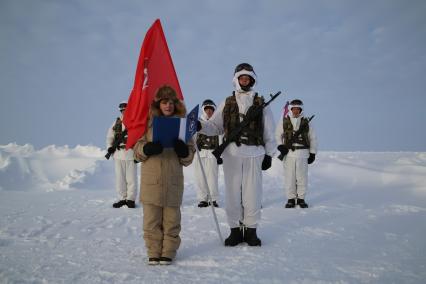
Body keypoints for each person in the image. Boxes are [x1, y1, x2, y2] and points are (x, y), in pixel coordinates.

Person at [198, 63, 276, 246]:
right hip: (231, 154)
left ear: (252, 79)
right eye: (241, 78)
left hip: (255, 153)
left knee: (253, 194)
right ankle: (234, 230)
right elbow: (215, 126)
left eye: (247, 78)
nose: (244, 80)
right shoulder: (227, 102)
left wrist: (270, 154)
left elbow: (270, 131)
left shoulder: (260, 102)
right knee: (232, 193)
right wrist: (201, 126)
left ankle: (251, 231)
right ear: (236, 80)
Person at [133, 86, 195, 265]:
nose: (168, 105)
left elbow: (189, 155)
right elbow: (136, 151)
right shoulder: (148, 124)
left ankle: (168, 252)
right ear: (158, 104)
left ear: (176, 104)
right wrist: (147, 148)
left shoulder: (183, 127)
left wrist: (183, 151)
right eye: (164, 102)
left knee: (172, 222)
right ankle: (153, 251)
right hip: (152, 182)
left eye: (171, 102)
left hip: (173, 183)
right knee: (151, 222)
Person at [275, 99, 317, 208]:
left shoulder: (307, 122)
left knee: (302, 177)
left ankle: (301, 199)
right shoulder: (284, 121)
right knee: (289, 177)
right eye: (294, 108)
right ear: (290, 109)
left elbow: (313, 138)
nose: (296, 111)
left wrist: (312, 153)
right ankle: (291, 199)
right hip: (288, 154)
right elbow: (277, 135)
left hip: (303, 154)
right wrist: (280, 146)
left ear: (301, 109)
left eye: (298, 109)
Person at [106, 101, 138, 208]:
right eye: (123, 110)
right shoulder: (116, 123)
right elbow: (109, 137)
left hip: (131, 154)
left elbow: (139, 138)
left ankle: (130, 199)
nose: (125, 112)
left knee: (131, 178)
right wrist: (110, 147)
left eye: (126, 110)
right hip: (118, 154)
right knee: (120, 178)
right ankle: (122, 198)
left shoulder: (135, 122)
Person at [194, 99, 221, 208]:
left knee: (212, 177)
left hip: (213, 153)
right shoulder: (197, 122)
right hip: (200, 153)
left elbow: (221, 138)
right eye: (207, 109)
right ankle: (202, 199)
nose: (209, 111)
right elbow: (192, 138)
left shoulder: (217, 124)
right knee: (200, 177)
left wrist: (220, 155)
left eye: (211, 109)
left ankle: (213, 199)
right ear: (203, 110)